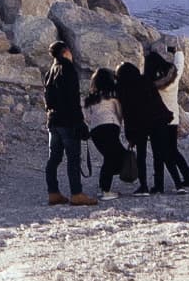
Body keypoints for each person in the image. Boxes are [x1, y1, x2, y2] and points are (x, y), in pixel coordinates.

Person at [143, 38, 189, 191]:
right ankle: (188, 178)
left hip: (156, 121)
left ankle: (158, 184)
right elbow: (179, 64)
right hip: (172, 119)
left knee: (157, 153)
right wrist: (176, 52)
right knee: (173, 151)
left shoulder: (150, 84)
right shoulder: (174, 76)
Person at [43, 37, 89, 205]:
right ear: (66, 52)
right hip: (68, 121)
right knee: (73, 158)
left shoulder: (50, 72)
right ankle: (77, 193)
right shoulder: (67, 69)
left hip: (53, 121)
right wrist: (80, 121)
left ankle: (53, 192)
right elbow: (72, 99)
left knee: (53, 158)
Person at [85, 64, 136, 195]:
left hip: (95, 131)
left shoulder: (91, 99)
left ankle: (104, 187)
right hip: (110, 127)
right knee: (115, 157)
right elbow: (120, 114)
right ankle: (106, 190)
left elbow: (88, 117)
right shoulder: (113, 97)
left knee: (110, 157)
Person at [115, 49, 154, 188]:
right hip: (151, 122)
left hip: (136, 126)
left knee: (141, 156)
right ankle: (158, 184)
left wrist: (130, 136)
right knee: (156, 155)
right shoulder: (144, 84)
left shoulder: (123, 91)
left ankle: (143, 185)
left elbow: (128, 115)